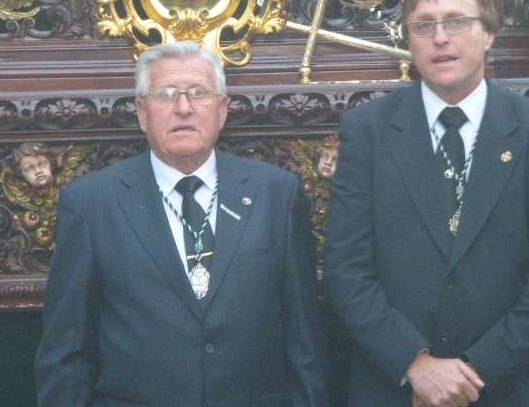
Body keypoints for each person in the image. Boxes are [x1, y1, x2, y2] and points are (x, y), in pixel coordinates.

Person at [324, 0, 529, 407]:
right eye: (424, 25)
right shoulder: (367, 131)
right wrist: (413, 364)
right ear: (409, 41)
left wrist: (473, 374)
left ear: (489, 34)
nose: (440, 38)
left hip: (504, 388)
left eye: (457, 22)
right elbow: (346, 269)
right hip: (394, 387)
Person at [35, 41, 328, 407]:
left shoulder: (277, 194)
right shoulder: (92, 203)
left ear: (222, 110)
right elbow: (65, 352)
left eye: (199, 93)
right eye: (167, 94)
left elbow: (305, 341)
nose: (184, 108)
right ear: (142, 113)